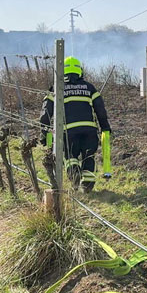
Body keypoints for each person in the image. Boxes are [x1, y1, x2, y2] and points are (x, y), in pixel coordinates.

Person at [40, 56, 111, 192]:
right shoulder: (89, 88)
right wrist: (105, 128)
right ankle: (88, 184)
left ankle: (74, 173)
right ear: (80, 71)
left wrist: (44, 133)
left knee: (70, 155)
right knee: (88, 156)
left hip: (68, 132)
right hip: (89, 130)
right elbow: (100, 110)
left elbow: (45, 114)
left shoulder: (56, 88)